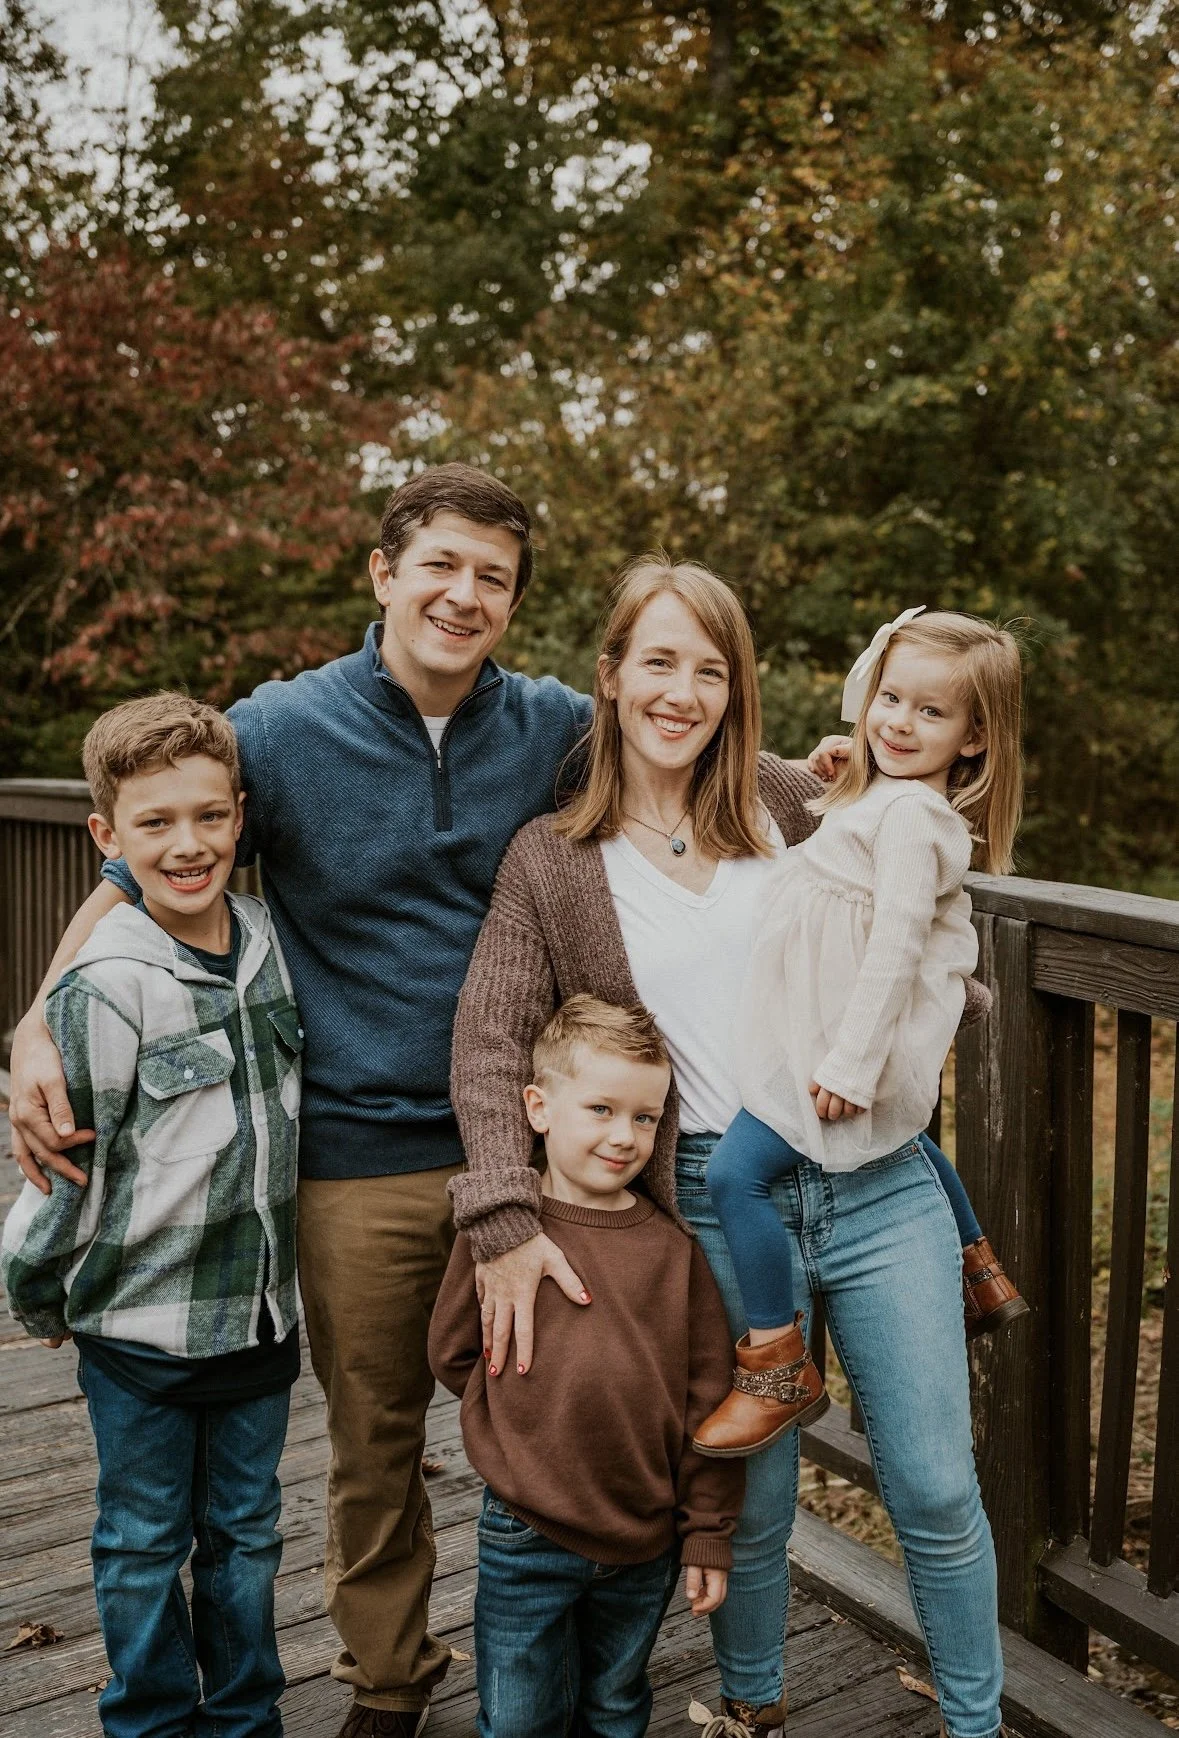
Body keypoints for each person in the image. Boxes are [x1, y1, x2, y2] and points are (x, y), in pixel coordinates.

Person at [5, 465, 595, 1738]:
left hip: (526, 1150)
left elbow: (686, 753)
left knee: (543, 1429)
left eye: (493, 576)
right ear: (383, 574)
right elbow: (141, 863)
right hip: (353, 1157)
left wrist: (833, 770)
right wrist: (32, 1027)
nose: (464, 593)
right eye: (441, 564)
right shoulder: (273, 731)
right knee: (376, 1450)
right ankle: (388, 1685)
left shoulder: (553, 725)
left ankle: (549, 1682)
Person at [449, 555, 1010, 1738]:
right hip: (711, 1193)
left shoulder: (797, 803)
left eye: (712, 669)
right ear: (609, 677)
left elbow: (917, 907)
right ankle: (754, 1705)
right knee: (755, 1498)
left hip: (875, 1183)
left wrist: (930, 1013)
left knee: (937, 1482)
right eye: (658, 661)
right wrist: (499, 1215)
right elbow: (491, 1046)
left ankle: (975, 1721)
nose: (683, 691)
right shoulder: (553, 862)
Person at [1, 693, 301, 1738]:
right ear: (107, 838)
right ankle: (152, 1718)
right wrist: (39, 1292)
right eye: (157, 823)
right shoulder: (107, 986)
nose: (189, 844)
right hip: (137, 1332)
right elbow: (56, 1174)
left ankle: (244, 1715)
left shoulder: (269, 942)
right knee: (140, 1538)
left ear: (241, 816)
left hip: (260, 1323)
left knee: (248, 1534)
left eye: (211, 817)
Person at [695, 608, 1027, 1459]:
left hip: (834, 1044)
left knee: (734, 1174)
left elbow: (894, 942)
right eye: (889, 698)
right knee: (904, 1133)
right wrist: (846, 768)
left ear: (974, 736)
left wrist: (851, 1059)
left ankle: (775, 1360)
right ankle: (975, 1266)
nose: (897, 722)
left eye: (929, 713)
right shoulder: (889, 797)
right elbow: (849, 862)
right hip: (828, 1026)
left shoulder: (914, 820)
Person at [428, 995, 743, 1738]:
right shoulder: (506, 1236)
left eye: (643, 1117)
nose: (624, 1135)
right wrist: (518, 1424)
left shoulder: (672, 1251)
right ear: (538, 1107)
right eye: (599, 1109)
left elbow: (712, 1404)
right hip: (525, 1526)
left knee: (614, 1707)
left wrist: (705, 1532)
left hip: (643, 1535)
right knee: (516, 1717)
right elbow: (452, 1351)